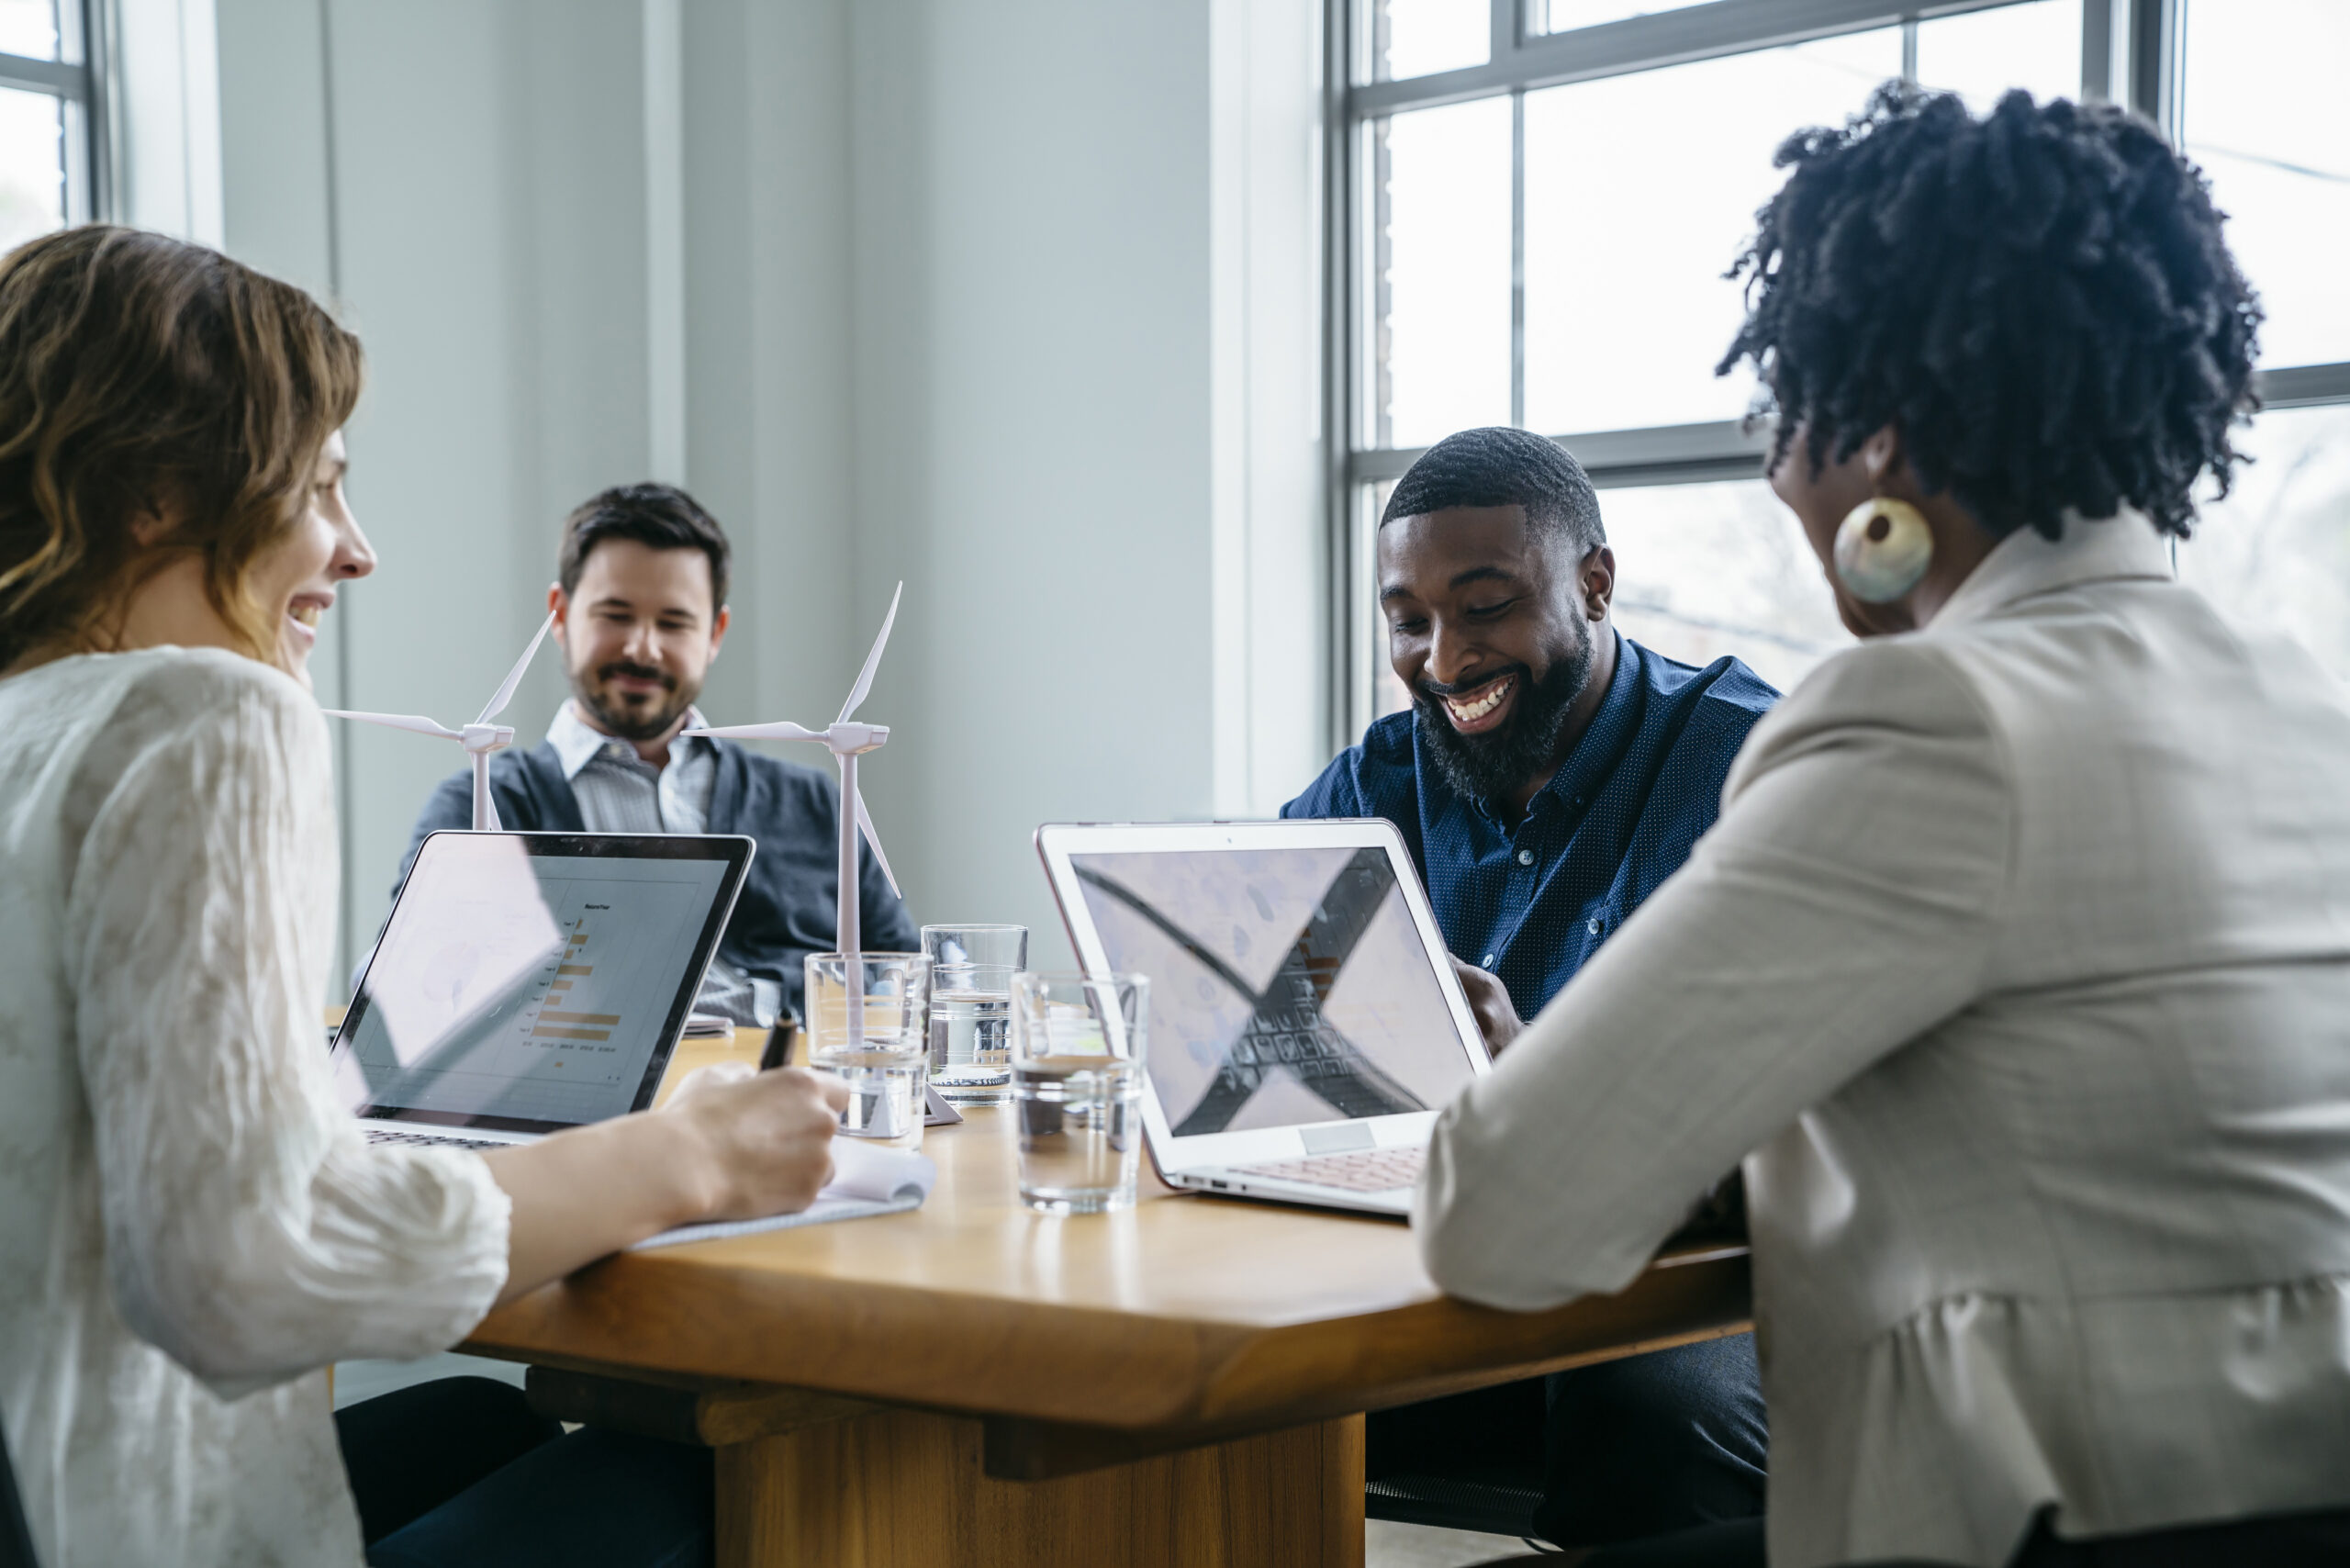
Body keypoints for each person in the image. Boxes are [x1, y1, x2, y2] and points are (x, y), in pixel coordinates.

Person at [1423, 86, 2350, 1568]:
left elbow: (1499, 1217)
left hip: (2040, 1526)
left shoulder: (1927, 721)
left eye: (1788, 413)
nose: (1779, 468)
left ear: (1876, 438)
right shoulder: (2294, 706)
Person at [0, 226, 845, 1567]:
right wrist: (688, 1155)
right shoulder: (202, 715)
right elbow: (236, 1266)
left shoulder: (24, 725)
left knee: (478, 1422)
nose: (357, 551)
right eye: (320, 490)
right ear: (157, 494)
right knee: (742, 1499)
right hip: (118, 1527)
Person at [1281, 425, 1779, 1550]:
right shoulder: (1378, 781)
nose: (1444, 658)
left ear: (1593, 584)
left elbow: (1813, 1117)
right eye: (1408, 619)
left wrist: (1543, 1080)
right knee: (1207, 1381)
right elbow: (1251, 987)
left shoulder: (1749, 767)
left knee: (1651, 1411)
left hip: (1694, 1284)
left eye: (1485, 605)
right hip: (1448, 1260)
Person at [396, 483, 916, 1024]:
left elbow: (900, 978)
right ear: (559, 614)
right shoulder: (481, 809)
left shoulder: (814, 804)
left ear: (715, 632)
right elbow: (411, 992)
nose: (642, 647)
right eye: (615, 615)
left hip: (798, 1096)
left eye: (673, 622)